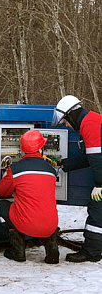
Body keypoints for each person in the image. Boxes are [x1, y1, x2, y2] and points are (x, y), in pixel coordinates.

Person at [0, 129, 59, 263]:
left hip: (26, 224)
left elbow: (2, 192)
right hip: (51, 225)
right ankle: (51, 247)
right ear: (40, 149)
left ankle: (17, 250)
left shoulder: (16, 169)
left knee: (2, 205)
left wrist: (6, 177)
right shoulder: (51, 170)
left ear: (23, 150)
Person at [53, 95, 102, 263]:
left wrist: (100, 185)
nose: (66, 125)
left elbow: (96, 159)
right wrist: (63, 164)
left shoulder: (89, 124)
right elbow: (87, 157)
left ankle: (91, 253)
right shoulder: (92, 120)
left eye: (66, 121)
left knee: (97, 210)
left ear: (71, 115)